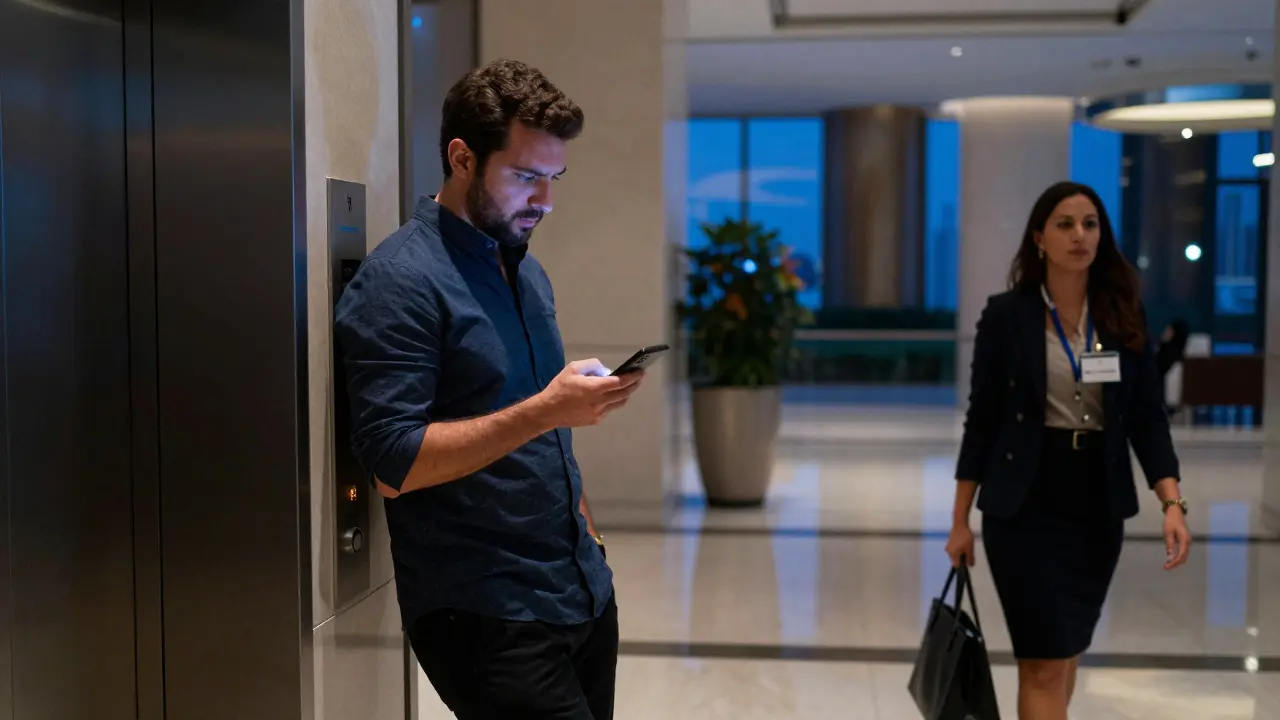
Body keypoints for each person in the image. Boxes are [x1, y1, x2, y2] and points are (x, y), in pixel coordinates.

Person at [334, 59, 643, 720]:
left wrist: (587, 531)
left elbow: (546, 425)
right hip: (485, 615)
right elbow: (393, 463)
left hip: (580, 591)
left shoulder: (526, 274)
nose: (546, 201)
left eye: (554, 178)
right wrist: (545, 411)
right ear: (462, 158)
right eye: (527, 177)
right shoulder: (401, 282)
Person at [946, 181, 1192, 720]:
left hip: (1096, 503)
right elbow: (981, 421)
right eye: (1064, 224)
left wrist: (1173, 504)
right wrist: (959, 520)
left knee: (1066, 652)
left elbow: (1148, 419)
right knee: (1044, 662)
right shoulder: (1007, 317)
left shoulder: (1123, 316)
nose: (1079, 235)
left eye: (1090, 224)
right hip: (1025, 501)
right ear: (1039, 238)